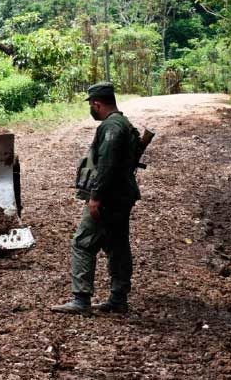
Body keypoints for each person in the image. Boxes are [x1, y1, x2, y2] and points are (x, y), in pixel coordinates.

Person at [51, 83, 141, 315]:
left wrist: (96, 197)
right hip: (121, 196)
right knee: (117, 245)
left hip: (110, 198)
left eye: (91, 105)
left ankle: (81, 300)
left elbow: (107, 164)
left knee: (83, 242)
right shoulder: (122, 123)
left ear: (96, 104)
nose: (91, 109)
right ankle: (118, 299)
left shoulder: (111, 127)